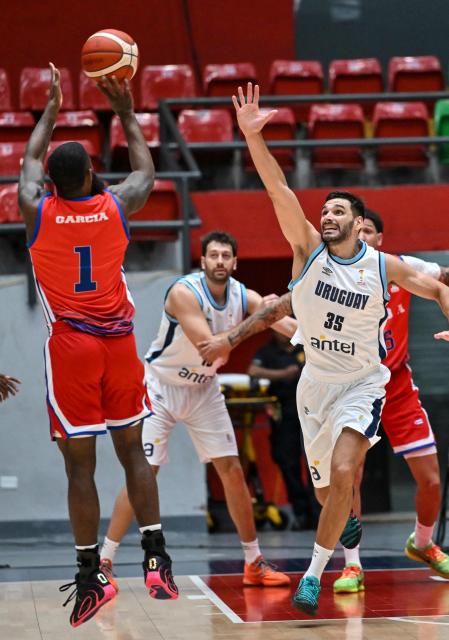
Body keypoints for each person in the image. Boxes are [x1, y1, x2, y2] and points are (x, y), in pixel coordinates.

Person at [225, 83, 449, 615]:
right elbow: (277, 187)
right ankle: (338, 529)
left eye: (337, 211)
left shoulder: (382, 265)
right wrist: (253, 137)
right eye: (324, 210)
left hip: (363, 384)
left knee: (348, 473)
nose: (327, 216)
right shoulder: (305, 251)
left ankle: (314, 573)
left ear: (357, 224)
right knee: (330, 493)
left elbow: (440, 286)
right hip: (314, 386)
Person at [18, 64, 177, 628]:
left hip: (73, 348)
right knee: (133, 452)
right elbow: (144, 170)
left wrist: (52, 112)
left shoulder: (35, 210)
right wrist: (128, 111)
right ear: (91, 173)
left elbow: (27, 164)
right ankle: (157, 558)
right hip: (120, 344)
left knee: (79, 468)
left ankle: (91, 577)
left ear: (52, 183)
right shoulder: (116, 206)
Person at [100, 230, 295, 588]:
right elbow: (213, 348)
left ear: (235, 263)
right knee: (145, 472)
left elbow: (290, 329)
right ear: (203, 261)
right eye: (213, 255)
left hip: (204, 390)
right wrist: (261, 318)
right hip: (161, 387)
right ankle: (105, 561)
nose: (220, 261)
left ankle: (253, 561)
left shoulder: (242, 295)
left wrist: (319, 337)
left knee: (232, 470)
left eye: (226, 256)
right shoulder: (183, 292)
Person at [332, 209, 449, 593]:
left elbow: (443, 281)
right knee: (352, 476)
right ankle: (352, 565)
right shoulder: (337, 274)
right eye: (357, 230)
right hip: (354, 385)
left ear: (380, 238)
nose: (361, 236)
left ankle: (422, 542)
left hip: (397, 384)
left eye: (368, 231)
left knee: (430, 478)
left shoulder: (401, 266)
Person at [248, 331, 318, 530]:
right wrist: (283, 374)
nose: (282, 333)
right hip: (284, 410)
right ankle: (301, 512)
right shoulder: (268, 351)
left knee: (317, 462)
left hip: (312, 410)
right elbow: (253, 370)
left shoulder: (306, 345)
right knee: (288, 462)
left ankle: (319, 512)